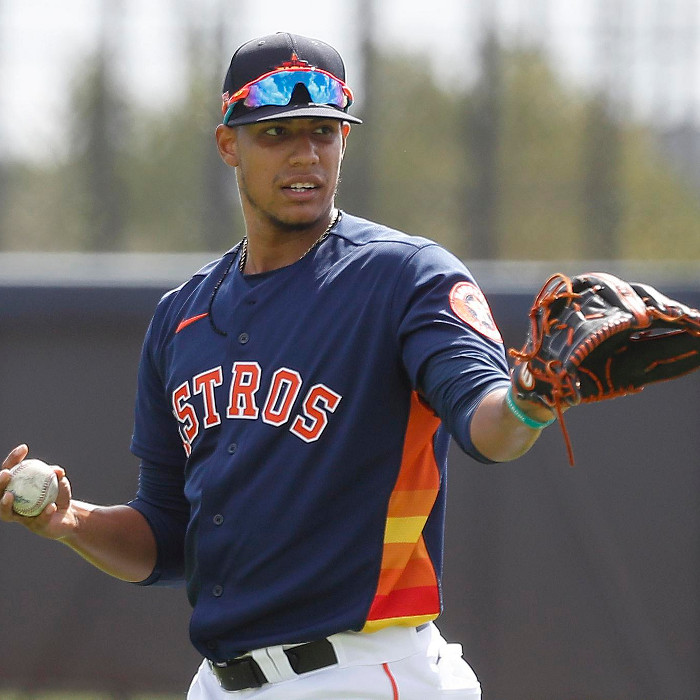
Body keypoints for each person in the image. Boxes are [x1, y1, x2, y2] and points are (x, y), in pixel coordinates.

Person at [0, 32, 559, 699]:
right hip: (220, 683)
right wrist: (70, 523)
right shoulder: (181, 318)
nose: (305, 154)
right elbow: (167, 537)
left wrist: (531, 398)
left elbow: (488, 426)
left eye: (324, 131)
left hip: (364, 675)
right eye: (276, 133)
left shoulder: (403, 278)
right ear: (228, 145)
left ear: (344, 140)